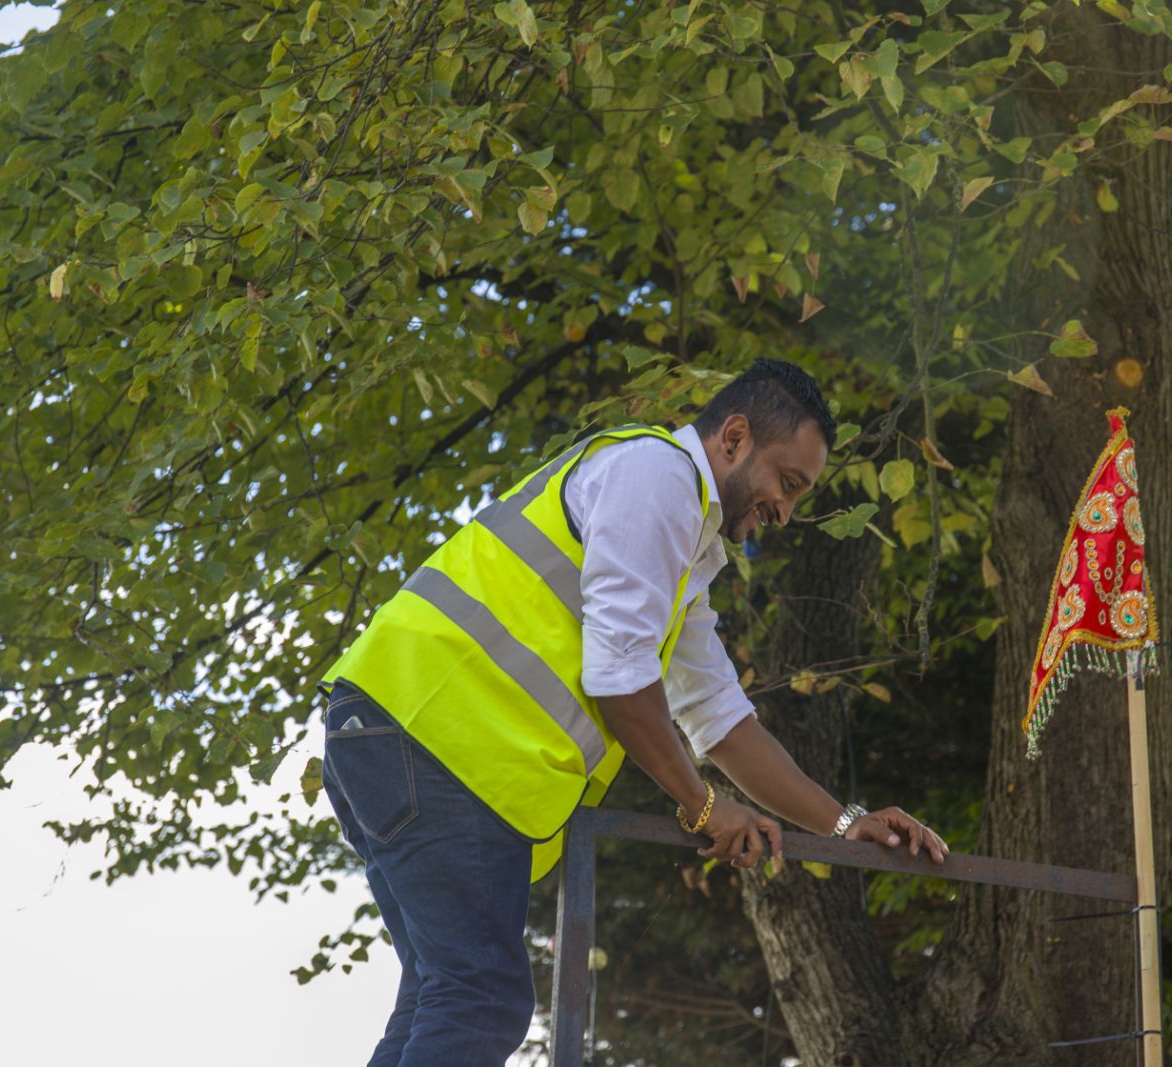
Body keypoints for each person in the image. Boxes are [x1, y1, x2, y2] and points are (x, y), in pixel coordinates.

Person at [315, 358, 949, 1067]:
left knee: (448, 992)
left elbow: (722, 720)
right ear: (734, 438)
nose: (785, 510)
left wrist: (844, 821)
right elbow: (619, 681)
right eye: (787, 482)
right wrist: (705, 806)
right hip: (432, 742)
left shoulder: (686, 557)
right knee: (481, 996)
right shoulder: (656, 479)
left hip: (403, 734)